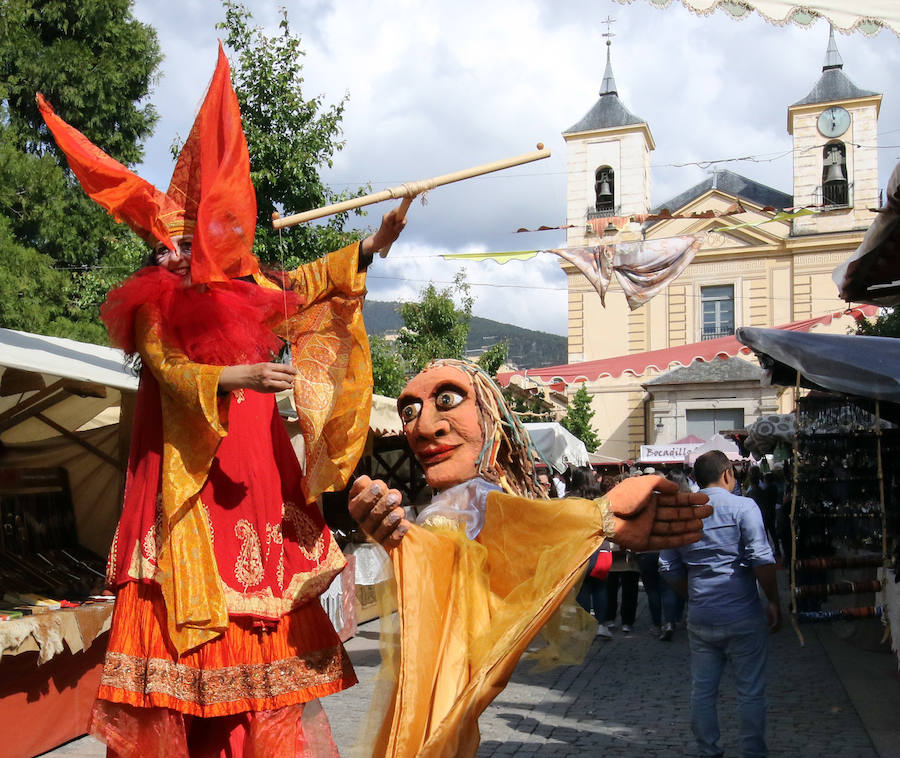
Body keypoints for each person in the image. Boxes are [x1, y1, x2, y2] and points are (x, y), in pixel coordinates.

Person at [39, 46, 405, 756]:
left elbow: (307, 287)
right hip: (190, 483)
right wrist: (235, 380)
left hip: (257, 483)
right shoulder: (155, 305)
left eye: (192, 241)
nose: (181, 255)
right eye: (169, 245)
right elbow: (170, 371)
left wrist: (370, 246)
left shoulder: (254, 293)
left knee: (262, 659)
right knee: (183, 652)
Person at [349, 359, 712, 757]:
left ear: (492, 417)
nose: (423, 427)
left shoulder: (479, 499)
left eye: (448, 399)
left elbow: (522, 537)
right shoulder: (460, 502)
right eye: (409, 411)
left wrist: (602, 517)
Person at [660, 450, 781, 758]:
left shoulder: (682, 512)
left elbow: (667, 566)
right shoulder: (743, 507)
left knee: (703, 690)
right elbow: (762, 559)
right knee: (750, 691)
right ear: (728, 473)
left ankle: (707, 750)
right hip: (742, 611)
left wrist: (693, 595)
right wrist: (774, 601)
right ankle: (753, 752)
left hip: (701, 615)